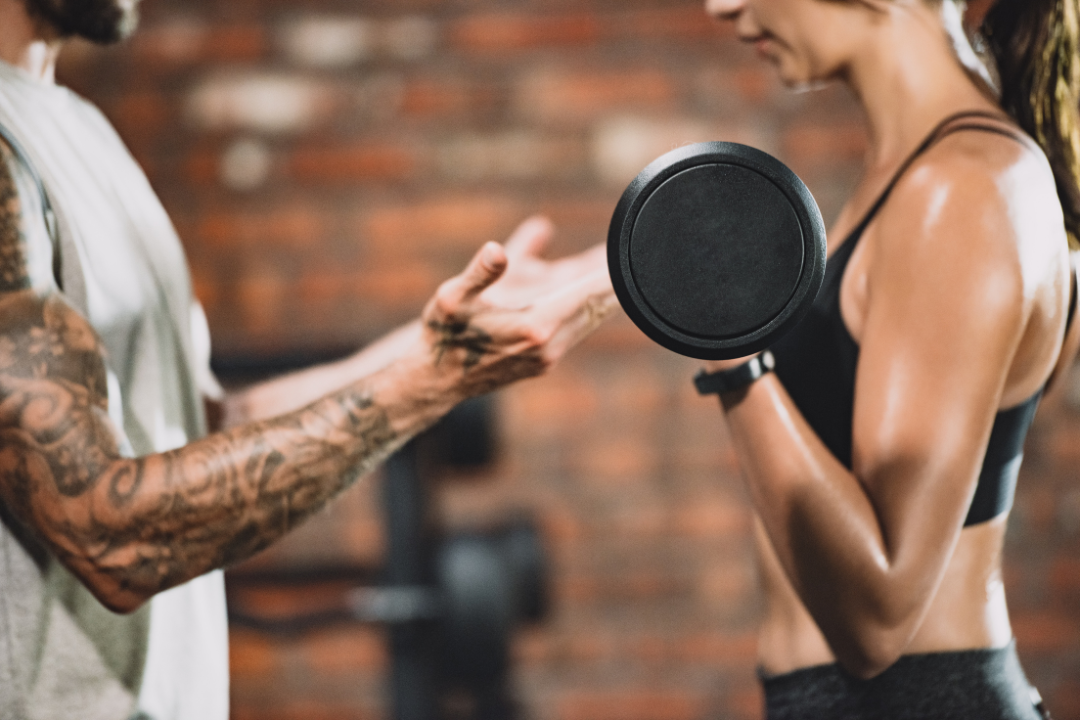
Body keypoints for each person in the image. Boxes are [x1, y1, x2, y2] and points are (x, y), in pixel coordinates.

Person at [0, 0, 615, 718]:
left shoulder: (83, 130)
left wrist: (427, 355)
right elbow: (108, 531)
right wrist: (426, 384)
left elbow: (203, 422)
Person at [696, 0, 1080, 717]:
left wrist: (729, 356)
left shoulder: (961, 190)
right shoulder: (923, 176)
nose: (722, 6)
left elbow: (877, 616)